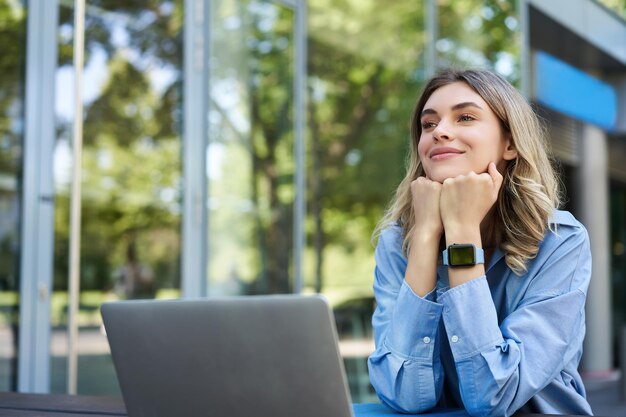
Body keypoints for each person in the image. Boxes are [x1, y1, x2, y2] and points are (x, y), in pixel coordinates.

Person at [368, 68, 593, 417]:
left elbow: (493, 395)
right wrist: (426, 237)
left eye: (466, 117)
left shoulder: (560, 241)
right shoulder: (398, 241)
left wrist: (461, 230)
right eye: (428, 125)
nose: (439, 131)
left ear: (510, 143)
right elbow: (403, 394)